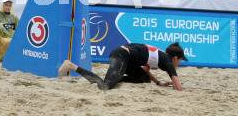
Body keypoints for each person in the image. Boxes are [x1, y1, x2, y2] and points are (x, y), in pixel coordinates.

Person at [59, 43, 187, 91]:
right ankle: (71, 66)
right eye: (180, 60)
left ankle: (116, 78)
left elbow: (146, 69)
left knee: (144, 79)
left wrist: (158, 82)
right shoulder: (168, 63)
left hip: (128, 58)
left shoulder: (161, 56)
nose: (179, 63)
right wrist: (177, 84)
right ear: (175, 58)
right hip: (122, 56)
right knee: (105, 86)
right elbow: (178, 88)